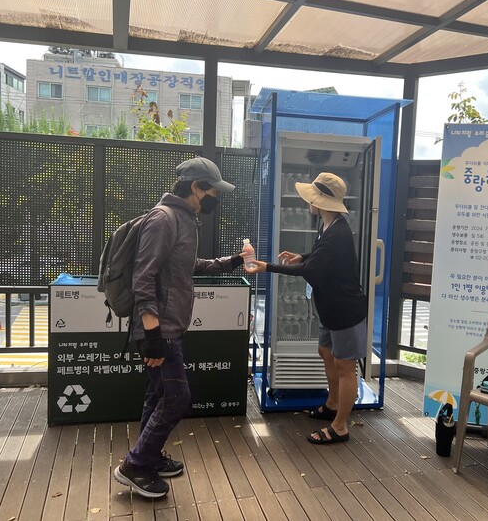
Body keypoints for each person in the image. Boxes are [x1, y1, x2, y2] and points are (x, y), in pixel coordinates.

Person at [114, 157, 246, 498]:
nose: (215, 198)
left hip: (170, 326)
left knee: (158, 394)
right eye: (213, 192)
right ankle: (134, 465)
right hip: (160, 330)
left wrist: (234, 261)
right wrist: (152, 335)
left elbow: (189, 265)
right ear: (196, 187)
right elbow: (143, 277)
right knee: (177, 397)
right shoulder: (164, 218)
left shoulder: (185, 219)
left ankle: (149, 456)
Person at [244, 172, 367, 445]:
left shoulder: (337, 232)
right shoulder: (329, 225)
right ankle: (332, 403)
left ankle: (340, 427)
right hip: (330, 307)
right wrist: (302, 255)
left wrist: (268, 267)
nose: (308, 202)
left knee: (345, 367)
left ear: (320, 201)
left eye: (312, 197)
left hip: (345, 311)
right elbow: (320, 257)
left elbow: (312, 271)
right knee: (325, 352)